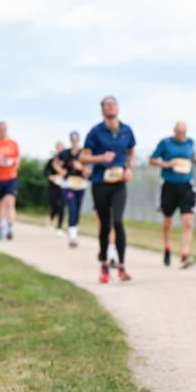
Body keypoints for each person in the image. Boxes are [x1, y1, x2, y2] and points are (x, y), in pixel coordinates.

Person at [81, 95, 136, 283]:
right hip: (100, 183)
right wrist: (100, 158)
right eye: (107, 105)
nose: (111, 107)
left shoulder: (127, 130)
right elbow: (84, 158)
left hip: (119, 182)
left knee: (118, 221)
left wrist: (129, 169)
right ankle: (104, 264)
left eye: (113, 104)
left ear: (118, 108)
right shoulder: (95, 132)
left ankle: (121, 266)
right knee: (105, 225)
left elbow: (131, 152)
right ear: (102, 109)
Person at [149, 121, 196, 267]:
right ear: (174, 131)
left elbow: (192, 156)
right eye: (179, 133)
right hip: (169, 185)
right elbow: (152, 160)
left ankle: (185, 254)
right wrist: (167, 164)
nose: (182, 136)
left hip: (187, 185)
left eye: (184, 133)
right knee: (168, 221)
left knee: (188, 221)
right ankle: (167, 248)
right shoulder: (165, 143)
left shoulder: (190, 142)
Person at [53, 131, 91, 247]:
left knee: (77, 209)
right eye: (72, 139)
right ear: (70, 140)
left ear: (79, 140)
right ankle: (72, 236)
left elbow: (88, 170)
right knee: (72, 208)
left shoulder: (84, 153)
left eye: (76, 139)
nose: (74, 141)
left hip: (80, 184)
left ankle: (74, 230)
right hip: (68, 184)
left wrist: (81, 168)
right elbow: (55, 163)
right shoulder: (65, 153)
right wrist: (61, 171)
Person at [44, 141, 65, 234]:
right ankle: (51, 220)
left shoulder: (66, 161)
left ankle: (59, 227)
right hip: (53, 186)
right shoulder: (51, 161)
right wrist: (50, 176)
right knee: (54, 205)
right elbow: (45, 171)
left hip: (63, 186)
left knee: (61, 206)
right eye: (58, 148)